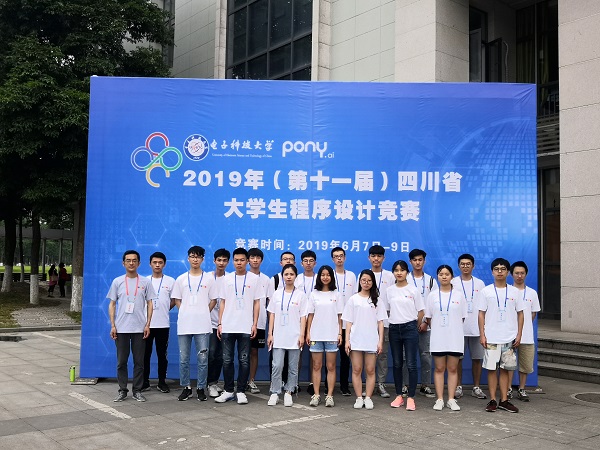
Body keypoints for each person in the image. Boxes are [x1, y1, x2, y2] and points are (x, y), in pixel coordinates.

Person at [172, 246, 219, 401]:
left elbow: (214, 299)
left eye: (198, 257)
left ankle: (200, 387)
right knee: (184, 358)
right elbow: (177, 299)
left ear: (202, 259)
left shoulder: (209, 279)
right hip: (185, 324)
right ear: (188, 258)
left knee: (203, 359)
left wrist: (204, 311)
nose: (195, 259)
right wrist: (185, 311)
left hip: (203, 324)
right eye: (192, 256)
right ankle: (186, 387)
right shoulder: (181, 279)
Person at [215, 248, 261, 405]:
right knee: (227, 360)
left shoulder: (254, 279)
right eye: (236, 260)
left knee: (244, 360)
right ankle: (228, 390)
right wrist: (220, 323)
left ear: (247, 261)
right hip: (228, 325)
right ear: (232, 261)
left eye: (242, 260)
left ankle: (241, 391)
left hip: (245, 326)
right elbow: (222, 302)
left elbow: (257, 303)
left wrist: (254, 324)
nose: (239, 263)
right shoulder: (226, 279)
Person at [108, 250, 155, 402]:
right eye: (128, 260)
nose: (131, 263)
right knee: (121, 362)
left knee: (139, 362)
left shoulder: (145, 282)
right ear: (123, 263)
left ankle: (137, 390)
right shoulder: (117, 282)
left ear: (139, 263)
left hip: (139, 328)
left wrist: (148, 324)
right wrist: (113, 325)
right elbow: (112, 304)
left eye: (134, 260)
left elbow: (150, 303)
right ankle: (122, 390)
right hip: (121, 328)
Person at [479, 258, 524, 413]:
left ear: (508, 272)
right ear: (492, 272)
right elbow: (481, 314)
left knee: (506, 369)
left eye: (503, 269)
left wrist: (519, 334)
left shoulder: (515, 292)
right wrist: (482, 335)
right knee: (492, 369)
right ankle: (492, 400)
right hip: (491, 337)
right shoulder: (486, 291)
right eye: (496, 269)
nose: (499, 272)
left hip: (509, 338)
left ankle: (504, 400)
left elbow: (520, 314)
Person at [425, 265, 468, 411]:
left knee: (453, 368)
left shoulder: (459, 295)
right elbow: (429, 317)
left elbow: (462, 317)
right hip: (438, 337)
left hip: (455, 337)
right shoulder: (432, 296)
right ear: (437, 276)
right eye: (441, 274)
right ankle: (439, 399)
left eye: (447, 274)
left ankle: (450, 399)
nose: (444, 276)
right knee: (439, 368)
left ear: (451, 276)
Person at [342, 269, 386, 410]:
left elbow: (381, 322)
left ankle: (368, 397)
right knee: (357, 369)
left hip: (371, 340)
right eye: (363, 280)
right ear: (359, 281)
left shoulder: (377, 300)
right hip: (356, 339)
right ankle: (359, 398)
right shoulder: (353, 299)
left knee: (370, 369)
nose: (366, 283)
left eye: (369, 280)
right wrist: (347, 340)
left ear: (373, 282)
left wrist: (380, 341)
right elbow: (348, 322)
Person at [267, 264, 308, 407]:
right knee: (277, 365)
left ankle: (289, 391)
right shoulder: (277, 294)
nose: (289, 277)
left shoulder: (301, 295)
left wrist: (302, 335)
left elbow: (303, 317)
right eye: (286, 274)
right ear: (282, 276)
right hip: (278, 335)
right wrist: (270, 333)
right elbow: (272, 314)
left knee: (293, 367)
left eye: (291, 274)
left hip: (294, 335)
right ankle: (275, 392)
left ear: (296, 276)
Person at [386, 260, 423, 411]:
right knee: (397, 363)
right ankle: (399, 396)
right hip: (394, 328)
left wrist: (414, 325)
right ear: (393, 273)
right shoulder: (389, 290)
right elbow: (387, 310)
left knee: (411, 364)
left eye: (402, 270)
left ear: (407, 272)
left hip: (410, 328)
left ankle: (411, 397)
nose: (399, 273)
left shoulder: (413, 290)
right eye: (396, 270)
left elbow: (421, 311)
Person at [451, 254, 487, 400]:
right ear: (458, 266)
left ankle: (476, 387)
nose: (465, 266)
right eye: (462, 264)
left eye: (468, 264)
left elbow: (484, 306)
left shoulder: (480, 284)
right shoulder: (453, 282)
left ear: (473, 266)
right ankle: (458, 386)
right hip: (458, 328)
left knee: (477, 358)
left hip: (476, 327)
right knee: (458, 359)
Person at [306, 265, 343, 407]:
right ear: (319, 277)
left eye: (328, 275)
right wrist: (308, 332)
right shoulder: (314, 294)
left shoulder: (336, 294)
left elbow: (340, 316)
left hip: (332, 335)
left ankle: (329, 396)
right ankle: (316, 395)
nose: (325, 277)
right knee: (316, 366)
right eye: (323, 275)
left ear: (332, 277)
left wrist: (340, 333)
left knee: (331, 366)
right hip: (316, 335)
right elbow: (310, 315)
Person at [406, 249, 438, 398]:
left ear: (424, 261)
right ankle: (406, 385)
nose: (417, 262)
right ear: (410, 262)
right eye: (414, 260)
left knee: (425, 356)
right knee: (407, 356)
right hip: (408, 324)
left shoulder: (431, 281)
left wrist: (425, 321)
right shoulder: (405, 278)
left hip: (426, 325)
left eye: (420, 260)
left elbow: (434, 303)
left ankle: (425, 385)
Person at [142, 252, 175, 393]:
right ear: (150, 264)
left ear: (164, 264)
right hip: (146, 325)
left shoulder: (170, 281)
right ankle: (144, 382)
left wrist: (164, 308)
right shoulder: (144, 281)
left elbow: (174, 300)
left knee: (162, 355)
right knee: (145, 355)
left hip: (163, 324)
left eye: (160, 262)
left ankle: (162, 382)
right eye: (154, 262)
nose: (157, 265)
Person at [508, 261, 540, 402]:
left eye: (522, 273)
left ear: (526, 274)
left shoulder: (532, 293)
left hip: (526, 336)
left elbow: (533, 314)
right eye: (517, 273)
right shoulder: (507, 291)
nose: (519, 276)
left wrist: (523, 327)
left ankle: (522, 389)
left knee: (525, 365)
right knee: (508, 364)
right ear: (511, 274)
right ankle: (508, 389)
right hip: (508, 335)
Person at [368, 245, 395, 398]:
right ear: (369, 258)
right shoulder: (364, 275)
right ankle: (369, 385)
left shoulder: (390, 276)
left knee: (383, 354)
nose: (376, 259)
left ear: (383, 258)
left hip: (385, 322)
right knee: (368, 354)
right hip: (367, 322)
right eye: (373, 256)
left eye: (379, 256)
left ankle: (381, 384)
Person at [266, 251, 296, 389]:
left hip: (293, 326)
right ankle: (275, 384)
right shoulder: (275, 280)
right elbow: (271, 307)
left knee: (292, 359)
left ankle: (290, 385)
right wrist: (271, 330)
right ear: (280, 263)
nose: (288, 261)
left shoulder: (298, 282)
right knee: (276, 359)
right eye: (285, 259)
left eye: (290, 259)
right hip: (278, 326)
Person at [331, 246, 357, 396]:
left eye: (341, 256)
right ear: (332, 259)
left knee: (346, 355)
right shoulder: (329, 274)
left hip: (348, 321)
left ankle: (344, 385)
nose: (339, 258)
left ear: (345, 258)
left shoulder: (352, 276)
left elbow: (355, 298)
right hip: (332, 320)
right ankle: (329, 385)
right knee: (330, 355)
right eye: (336, 256)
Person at [207, 248, 230, 398]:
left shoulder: (230, 278)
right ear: (214, 261)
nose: (221, 263)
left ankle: (214, 382)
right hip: (209, 323)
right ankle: (209, 383)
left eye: (224, 260)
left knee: (221, 356)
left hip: (225, 324)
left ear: (228, 262)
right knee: (210, 354)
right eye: (219, 260)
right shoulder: (207, 277)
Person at [247, 248, 270, 394]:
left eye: (258, 257)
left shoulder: (266, 280)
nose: (255, 260)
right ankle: (241, 381)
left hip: (259, 321)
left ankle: (251, 380)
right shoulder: (243, 277)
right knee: (242, 352)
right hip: (242, 321)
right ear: (248, 260)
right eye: (252, 257)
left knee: (254, 351)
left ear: (261, 260)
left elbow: (269, 302)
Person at [296, 250, 317, 394]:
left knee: (314, 353)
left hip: (316, 319)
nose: (308, 263)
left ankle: (312, 383)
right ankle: (295, 382)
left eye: (311, 261)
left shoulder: (320, 278)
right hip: (298, 319)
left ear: (315, 263)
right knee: (297, 352)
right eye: (305, 261)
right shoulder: (297, 278)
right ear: (301, 263)